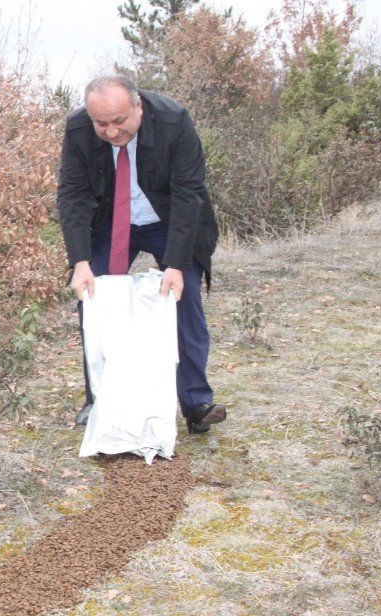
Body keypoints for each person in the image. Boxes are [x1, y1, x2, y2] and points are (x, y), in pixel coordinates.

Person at [56, 74, 226, 434]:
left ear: (139, 107)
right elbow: (72, 195)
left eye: (120, 121)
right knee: (94, 300)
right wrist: (81, 262)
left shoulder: (173, 119)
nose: (112, 132)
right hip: (111, 221)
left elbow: (188, 193)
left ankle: (196, 402)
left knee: (185, 297)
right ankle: (99, 401)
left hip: (168, 220)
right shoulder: (77, 129)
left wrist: (177, 264)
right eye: (101, 123)